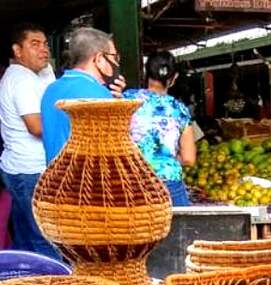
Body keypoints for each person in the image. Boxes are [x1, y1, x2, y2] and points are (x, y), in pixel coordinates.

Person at [0, 23, 58, 257]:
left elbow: (51, 87)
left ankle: (26, 276)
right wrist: (72, 124)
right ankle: (55, 278)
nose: (43, 49)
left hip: (23, 169)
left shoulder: (39, 73)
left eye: (45, 44)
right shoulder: (21, 79)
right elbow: (36, 126)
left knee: (26, 236)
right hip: (29, 171)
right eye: (34, 44)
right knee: (44, 238)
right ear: (17, 51)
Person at [40, 27, 125, 164]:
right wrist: (121, 109)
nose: (116, 63)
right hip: (86, 176)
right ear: (99, 59)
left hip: (54, 174)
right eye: (114, 57)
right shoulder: (100, 96)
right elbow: (115, 148)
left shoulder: (51, 89)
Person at [124, 51, 195, 206]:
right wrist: (165, 158)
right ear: (174, 78)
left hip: (132, 182)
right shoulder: (180, 110)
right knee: (178, 222)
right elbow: (189, 158)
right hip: (169, 185)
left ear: (145, 72)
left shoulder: (127, 100)